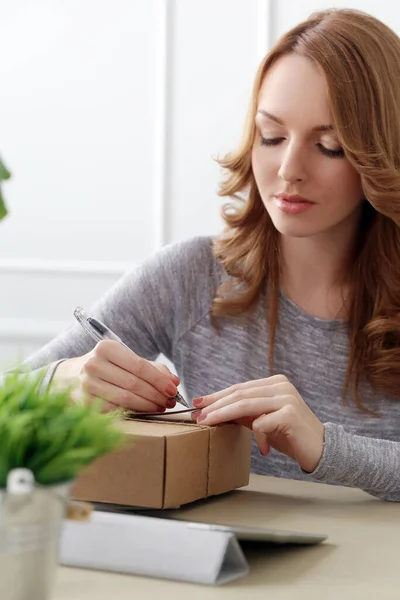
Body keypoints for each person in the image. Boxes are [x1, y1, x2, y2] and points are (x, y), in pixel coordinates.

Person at [18, 8, 400, 501]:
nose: (289, 169)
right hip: (211, 569)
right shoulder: (191, 276)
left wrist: (327, 448)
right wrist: (62, 382)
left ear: (380, 154)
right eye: (272, 136)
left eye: (329, 146)